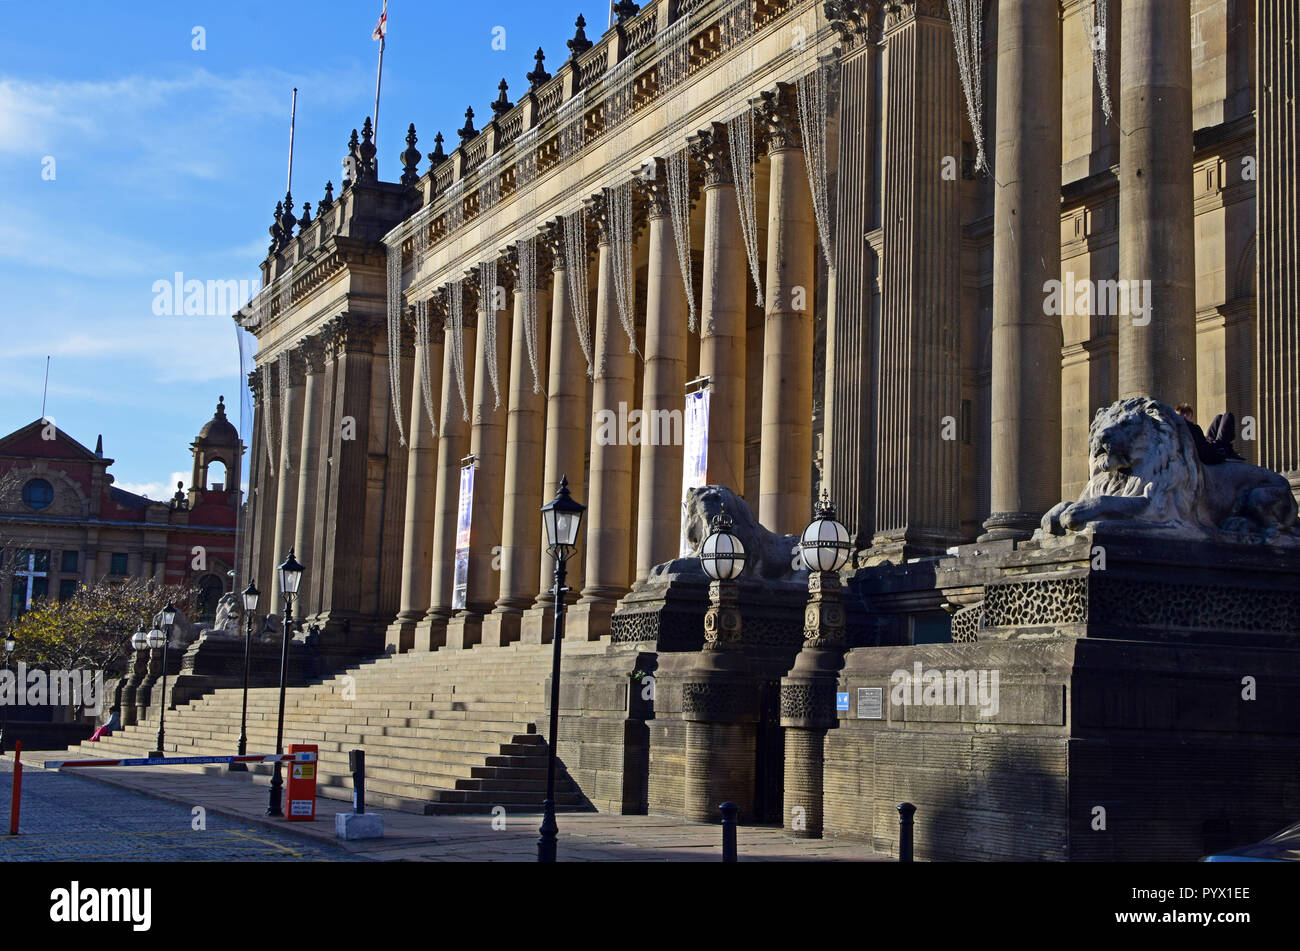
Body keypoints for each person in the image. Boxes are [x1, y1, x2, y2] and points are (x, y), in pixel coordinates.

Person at [1176, 403, 1240, 465]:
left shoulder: (1182, 428)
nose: (1191, 419)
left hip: (1207, 446)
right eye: (1189, 416)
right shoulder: (1191, 427)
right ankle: (1227, 449)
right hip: (1210, 452)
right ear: (1186, 415)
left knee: (1219, 417)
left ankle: (1220, 445)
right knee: (1228, 415)